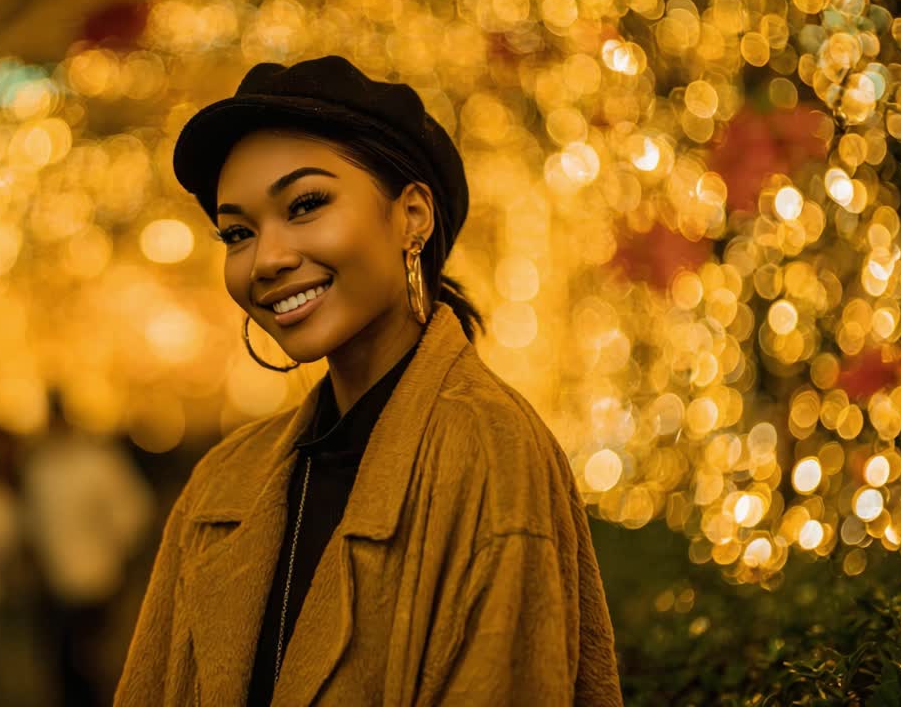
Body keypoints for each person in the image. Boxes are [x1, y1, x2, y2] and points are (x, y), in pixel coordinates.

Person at [114, 55, 623, 706]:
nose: (266, 259)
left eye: (305, 205)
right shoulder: (223, 483)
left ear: (412, 214)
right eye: (237, 232)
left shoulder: (489, 451)